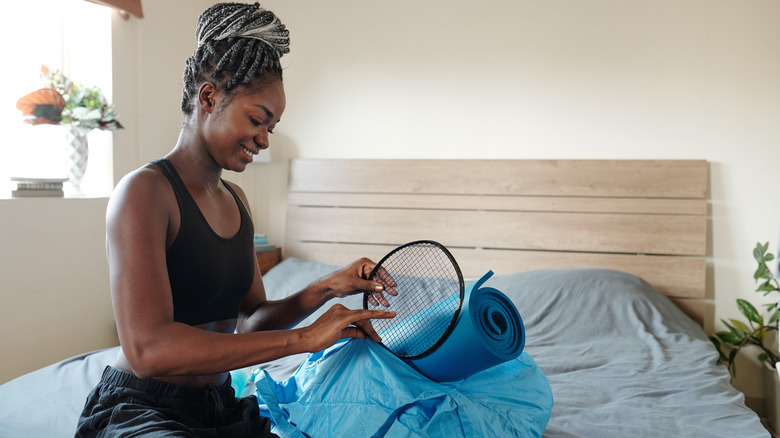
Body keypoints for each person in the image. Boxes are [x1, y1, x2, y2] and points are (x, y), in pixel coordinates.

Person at [75, 3, 395, 436]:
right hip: (142, 406)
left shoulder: (236, 200)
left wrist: (328, 286)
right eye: (257, 120)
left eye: (272, 127)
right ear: (209, 98)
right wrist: (305, 339)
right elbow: (148, 348)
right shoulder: (144, 192)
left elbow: (252, 319)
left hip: (216, 405)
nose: (264, 139)